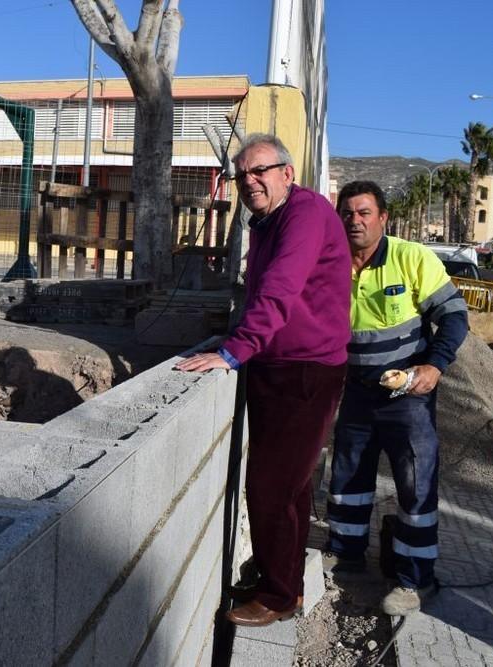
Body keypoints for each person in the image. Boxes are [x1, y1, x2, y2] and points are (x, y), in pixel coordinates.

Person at [174, 134, 351, 627]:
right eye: (241, 175)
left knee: (271, 486)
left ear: (287, 173)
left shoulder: (304, 214)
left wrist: (234, 351)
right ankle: (284, 577)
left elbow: (280, 288)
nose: (249, 181)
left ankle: (278, 597)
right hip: (278, 364)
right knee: (292, 485)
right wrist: (240, 342)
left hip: (306, 370)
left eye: (260, 171)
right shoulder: (267, 221)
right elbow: (258, 293)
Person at [324, 181, 467, 616]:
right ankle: (345, 555)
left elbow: (455, 316)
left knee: (415, 483)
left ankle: (414, 581)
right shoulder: (331, 264)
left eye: (364, 212)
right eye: (348, 213)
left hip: (407, 398)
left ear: (383, 218)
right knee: (348, 476)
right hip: (357, 393)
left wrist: (434, 366)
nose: (355, 221)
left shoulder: (411, 258)